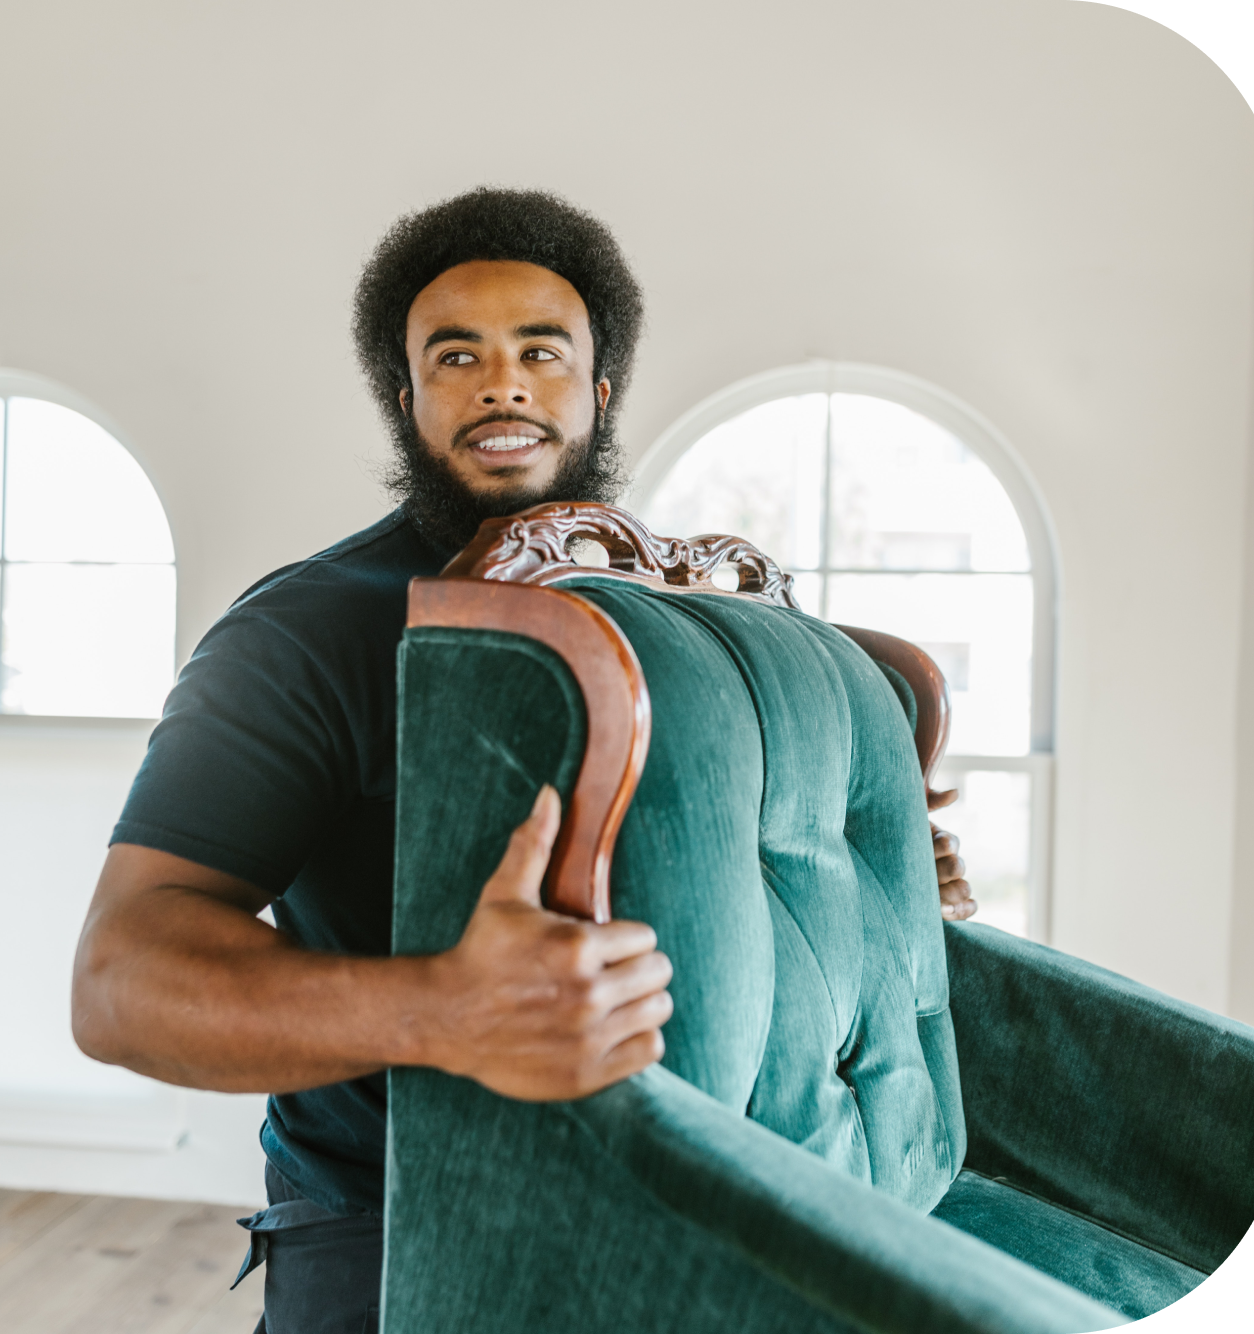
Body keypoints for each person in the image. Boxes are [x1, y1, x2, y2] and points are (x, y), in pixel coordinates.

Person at [71, 188, 976, 1334]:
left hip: (676, 1223)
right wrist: (442, 1007)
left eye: (540, 352)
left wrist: (873, 883)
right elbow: (117, 982)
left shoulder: (672, 622)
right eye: (456, 356)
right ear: (406, 400)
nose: (502, 383)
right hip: (396, 1235)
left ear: (597, 392)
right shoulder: (295, 635)